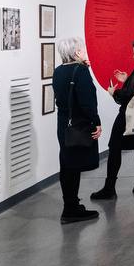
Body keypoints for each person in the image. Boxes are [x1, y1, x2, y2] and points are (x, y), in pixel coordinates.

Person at [91, 39, 134, 199]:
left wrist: (113, 92)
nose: (133, 56)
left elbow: (125, 96)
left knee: (114, 146)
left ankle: (109, 188)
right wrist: (127, 80)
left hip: (129, 117)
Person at [51, 37, 101, 224]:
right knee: (74, 166)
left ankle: (71, 204)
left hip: (63, 124)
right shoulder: (80, 71)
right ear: (77, 52)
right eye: (83, 49)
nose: (85, 52)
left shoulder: (58, 71)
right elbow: (87, 102)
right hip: (79, 123)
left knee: (67, 164)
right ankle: (70, 210)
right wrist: (96, 122)